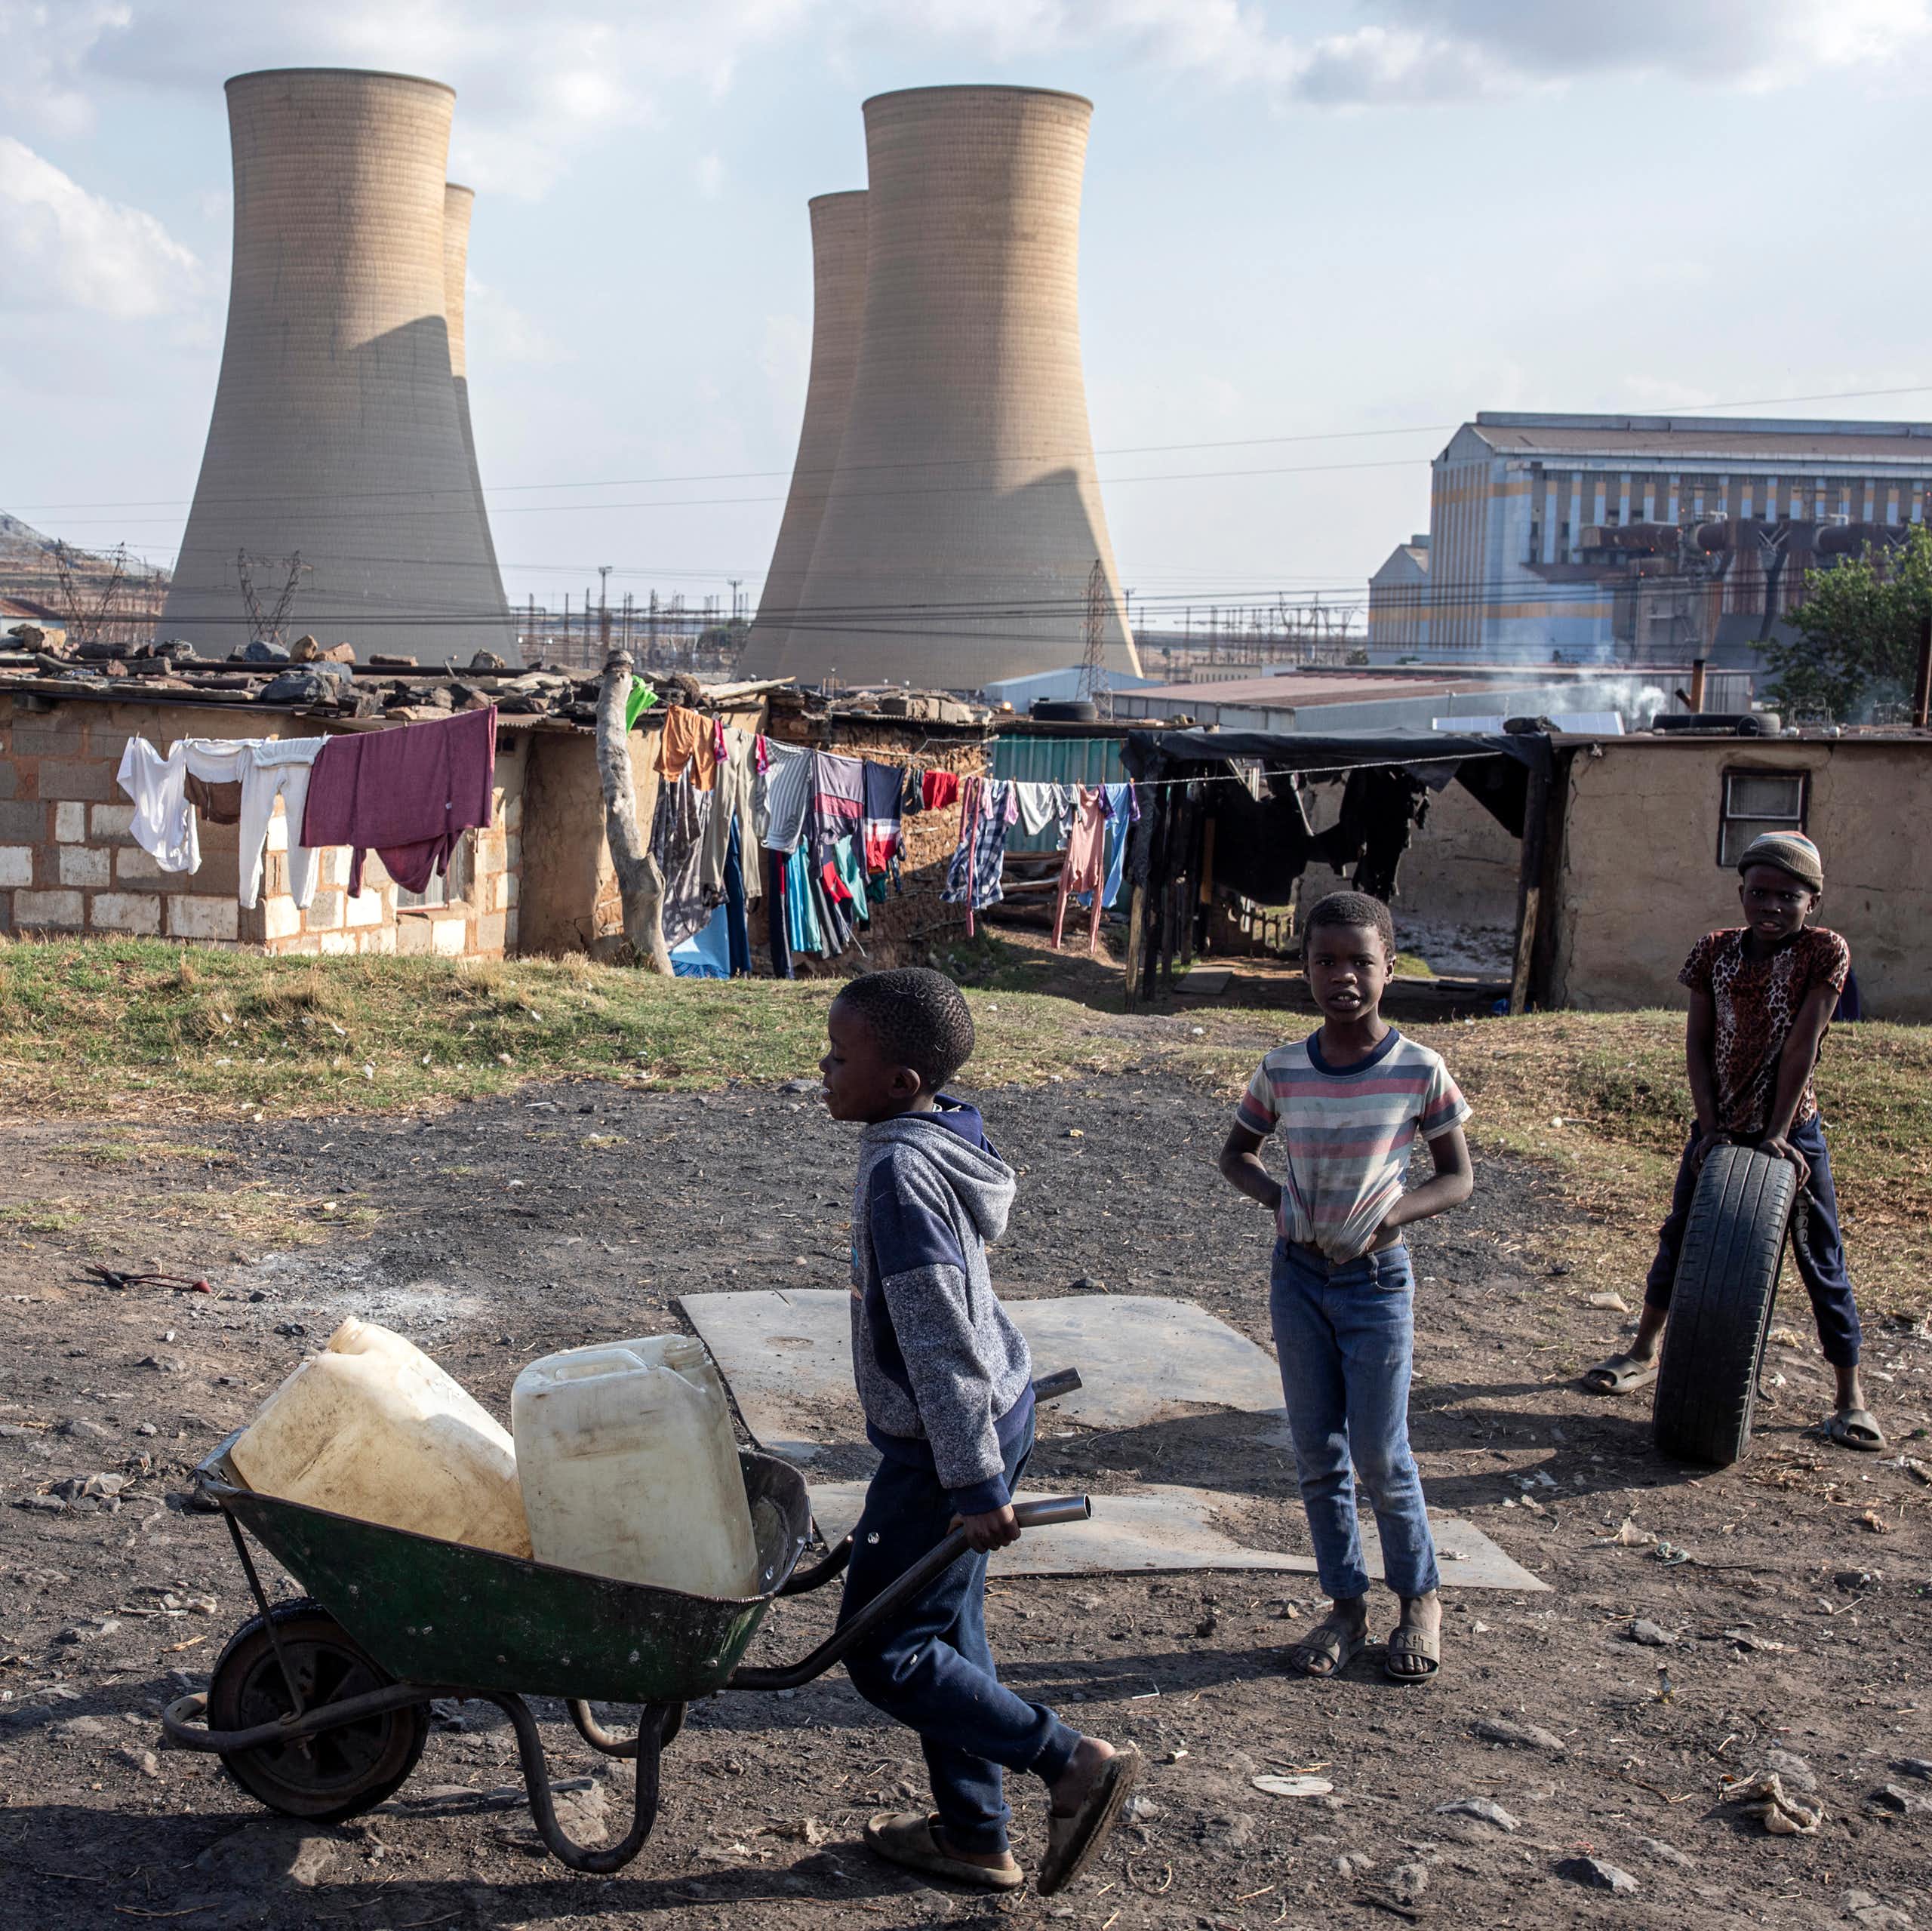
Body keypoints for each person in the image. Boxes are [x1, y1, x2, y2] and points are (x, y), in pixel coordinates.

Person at [819, 967, 1141, 1893]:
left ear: (899, 1084)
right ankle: (972, 1830)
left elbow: (936, 1334)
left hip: (948, 1440)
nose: (823, 1069)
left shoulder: (897, 1168)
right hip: (990, 1410)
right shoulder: (936, 1134)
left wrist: (971, 1482)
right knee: (950, 1633)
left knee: (884, 1652)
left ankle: (1071, 1762)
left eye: (842, 1057)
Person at [1218, 891, 1473, 1683]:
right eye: (1325, 960)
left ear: (1389, 969)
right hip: (1297, 1278)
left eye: (1360, 961)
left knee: (1380, 1452)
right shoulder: (1284, 1067)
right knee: (1316, 1452)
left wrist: (1396, 1212)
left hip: (1372, 1282)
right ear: (1305, 969)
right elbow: (1236, 1153)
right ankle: (1344, 1605)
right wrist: (1281, 1202)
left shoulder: (1417, 1069)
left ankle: (1419, 1598)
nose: (1342, 977)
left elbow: (1457, 1177)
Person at [1583, 831, 1880, 1450]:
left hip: (1792, 1127)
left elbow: (1803, 1044)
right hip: (1717, 1122)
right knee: (1681, 1236)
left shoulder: (1824, 951)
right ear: (1740, 892)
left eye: (1787, 896)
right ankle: (1643, 1351)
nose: (1771, 906)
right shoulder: (1714, 951)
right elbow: (1696, 1041)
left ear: (1814, 901)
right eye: (1758, 893)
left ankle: (1850, 1396)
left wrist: (1775, 1132)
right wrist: (1712, 1127)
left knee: (1819, 1254)